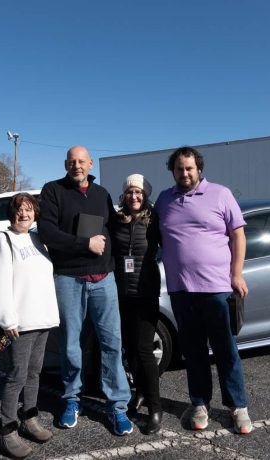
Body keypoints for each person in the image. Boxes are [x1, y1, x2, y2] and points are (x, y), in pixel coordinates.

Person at [154, 146, 253, 435]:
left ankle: (238, 407)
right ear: (172, 171)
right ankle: (199, 403)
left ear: (199, 169)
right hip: (181, 289)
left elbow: (238, 235)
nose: (184, 173)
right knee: (193, 352)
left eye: (189, 168)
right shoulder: (164, 199)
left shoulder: (220, 194)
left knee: (226, 350)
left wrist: (236, 274)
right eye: (179, 169)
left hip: (217, 289)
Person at [38, 145, 134, 436]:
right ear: (66, 164)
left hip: (103, 280)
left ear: (90, 164)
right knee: (70, 344)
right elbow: (47, 233)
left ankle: (117, 406)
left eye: (81, 161)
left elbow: (114, 231)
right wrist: (84, 245)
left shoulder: (101, 194)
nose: (76, 166)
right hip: (69, 279)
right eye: (71, 161)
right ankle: (71, 399)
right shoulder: (53, 190)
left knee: (111, 343)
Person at [0, 193, 60, 458]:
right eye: (19, 210)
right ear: (11, 213)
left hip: (42, 319)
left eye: (29, 210)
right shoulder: (3, 240)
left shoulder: (37, 238)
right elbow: (0, 281)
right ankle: (7, 430)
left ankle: (29, 418)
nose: (24, 214)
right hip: (20, 323)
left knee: (34, 373)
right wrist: (7, 319)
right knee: (17, 374)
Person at [111, 173, 163, 434]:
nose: (134, 196)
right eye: (130, 191)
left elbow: (173, 245)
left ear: (146, 195)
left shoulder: (154, 219)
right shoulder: (117, 219)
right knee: (129, 349)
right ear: (124, 194)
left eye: (139, 192)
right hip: (121, 293)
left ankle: (155, 408)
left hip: (145, 292)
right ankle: (139, 393)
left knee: (144, 350)